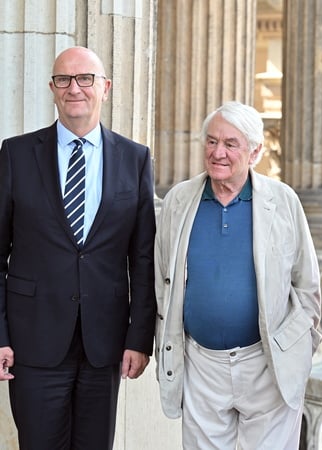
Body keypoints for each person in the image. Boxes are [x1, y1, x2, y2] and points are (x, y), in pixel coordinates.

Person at [0, 46, 156, 450]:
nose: (75, 88)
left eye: (85, 78)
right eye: (64, 79)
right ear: (52, 88)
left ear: (105, 87)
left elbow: (142, 260)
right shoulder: (16, 154)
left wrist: (139, 338)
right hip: (32, 341)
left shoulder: (135, 159)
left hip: (104, 344)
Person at [154, 101, 322, 449]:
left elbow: (306, 284)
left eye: (231, 144)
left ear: (255, 152)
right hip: (201, 365)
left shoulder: (283, 201)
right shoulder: (178, 201)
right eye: (212, 141)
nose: (218, 153)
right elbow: (162, 280)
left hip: (268, 364)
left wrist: (300, 346)